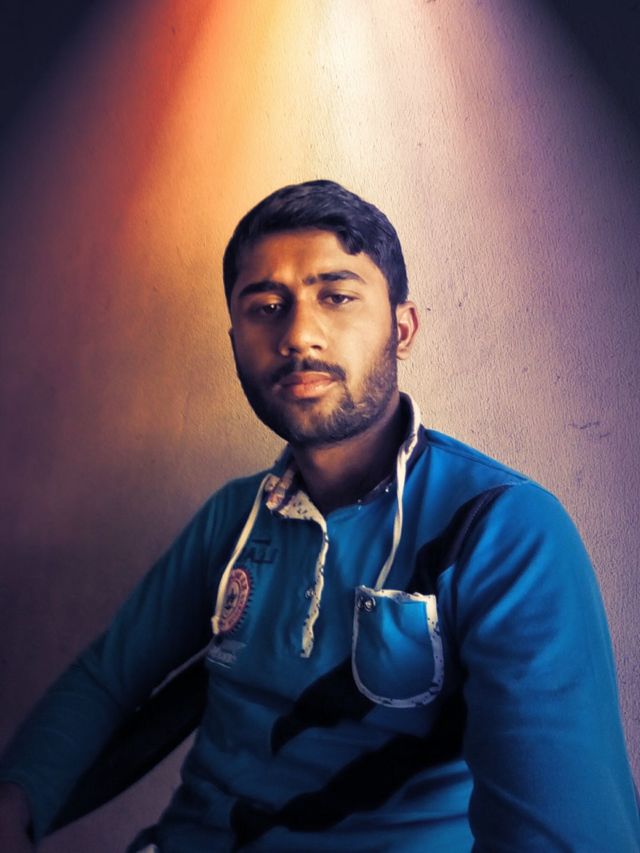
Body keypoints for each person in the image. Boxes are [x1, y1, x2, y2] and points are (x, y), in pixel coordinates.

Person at [0, 180, 638, 852]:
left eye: (336, 296)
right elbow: (107, 679)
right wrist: (16, 800)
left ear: (402, 328)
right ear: (235, 341)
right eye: (266, 307)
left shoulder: (502, 530)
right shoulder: (234, 518)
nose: (299, 335)